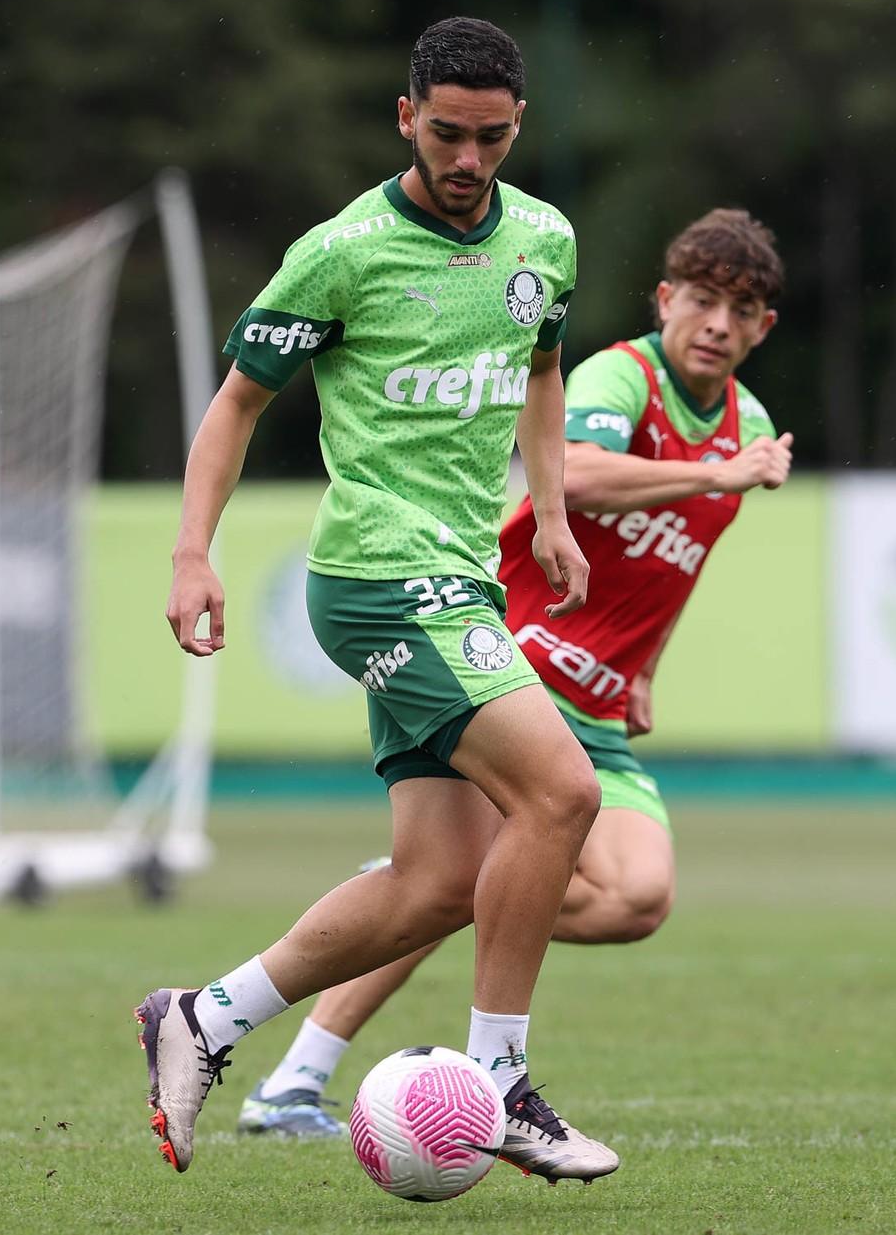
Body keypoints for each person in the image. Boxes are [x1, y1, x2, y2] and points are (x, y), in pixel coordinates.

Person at [136, 16, 621, 1183]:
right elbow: (238, 403)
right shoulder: (341, 251)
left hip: (463, 576)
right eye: (446, 134)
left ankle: (201, 1019)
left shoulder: (545, 242)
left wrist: (549, 510)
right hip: (375, 575)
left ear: (518, 130)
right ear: (406, 118)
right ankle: (498, 1081)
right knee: (561, 793)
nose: (467, 160)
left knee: (439, 884)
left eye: (491, 138)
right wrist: (190, 553)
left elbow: (542, 373)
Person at [234, 207, 794, 1145]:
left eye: (741, 310)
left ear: (763, 327)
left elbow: (672, 564)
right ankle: (294, 1078)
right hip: (510, 658)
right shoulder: (626, 376)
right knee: (484, 870)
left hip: (600, 701)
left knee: (634, 897)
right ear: (666, 301)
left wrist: (644, 665)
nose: (717, 324)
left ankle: (443, 881)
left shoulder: (747, 427)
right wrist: (714, 476)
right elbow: (569, 473)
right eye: (701, 300)